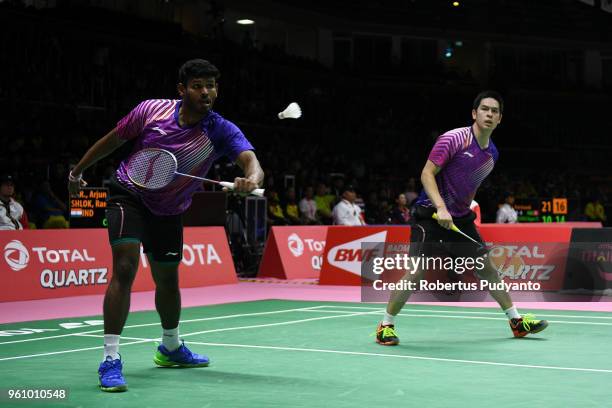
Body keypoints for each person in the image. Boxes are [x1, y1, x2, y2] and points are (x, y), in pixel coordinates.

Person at [68, 59, 264, 392]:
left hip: (170, 209)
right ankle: (110, 359)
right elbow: (114, 139)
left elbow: (250, 161)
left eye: (212, 86)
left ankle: (170, 347)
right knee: (126, 266)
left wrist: (252, 179)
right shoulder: (151, 111)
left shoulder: (219, 129)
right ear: (182, 89)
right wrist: (78, 171)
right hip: (127, 193)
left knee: (168, 279)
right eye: (199, 85)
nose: (207, 92)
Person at [375, 91, 548, 346]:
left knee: (486, 269)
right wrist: (441, 207)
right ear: (474, 113)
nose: (489, 114)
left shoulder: (492, 155)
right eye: (485, 109)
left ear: (500, 119)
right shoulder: (454, 139)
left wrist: (466, 207)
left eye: (495, 111)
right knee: (417, 272)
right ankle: (385, 325)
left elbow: (471, 183)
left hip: (460, 217)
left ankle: (516, 322)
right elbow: (426, 174)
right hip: (429, 213)